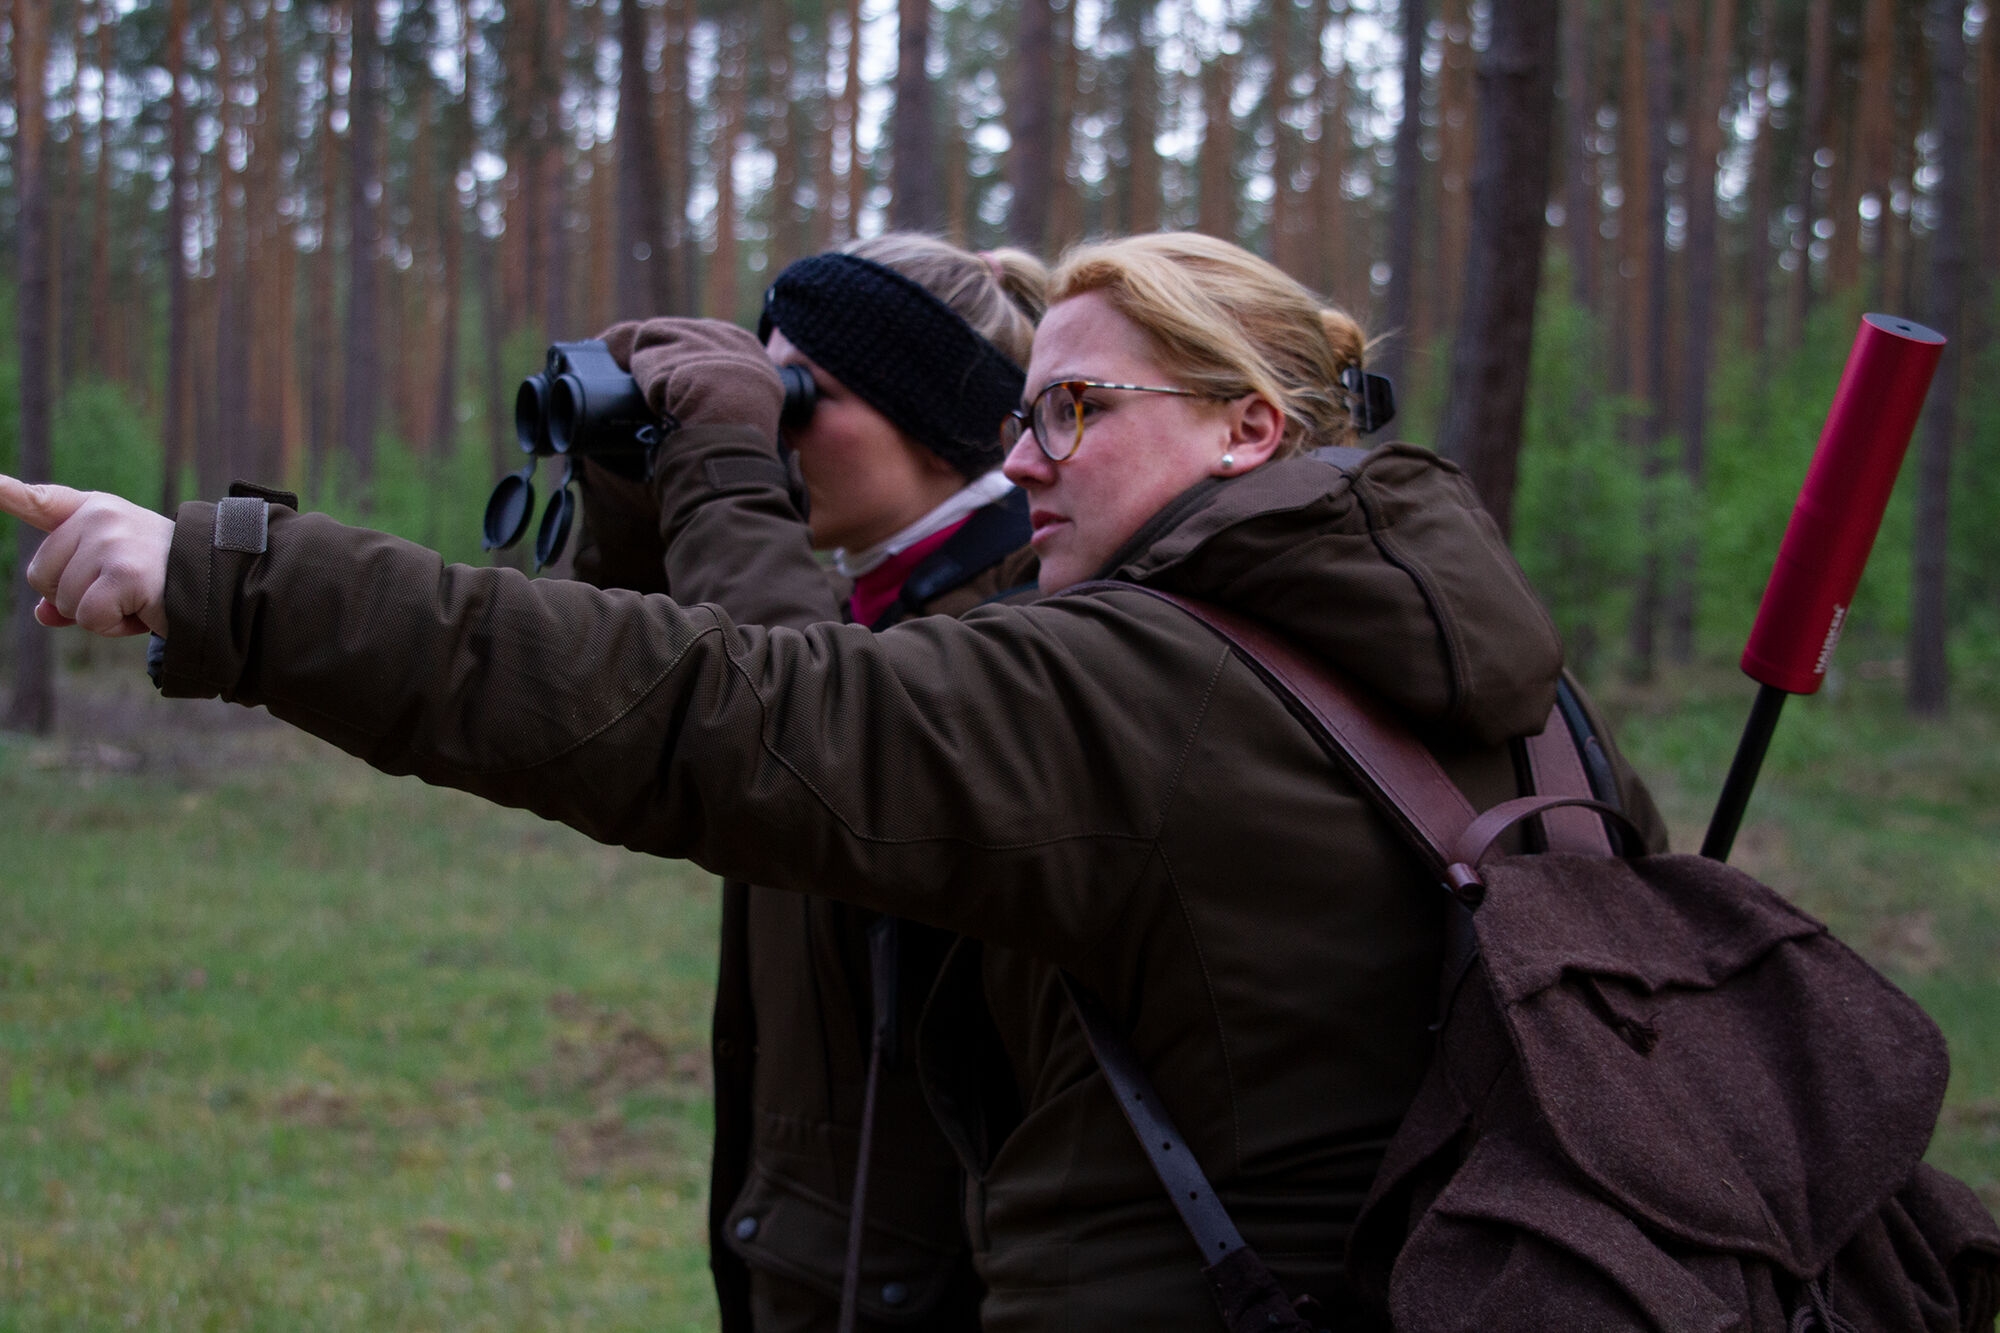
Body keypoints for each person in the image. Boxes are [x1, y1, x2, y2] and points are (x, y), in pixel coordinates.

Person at [3, 231, 1664, 1330]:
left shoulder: (1142, 682)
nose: (1026, 457)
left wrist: (234, 577)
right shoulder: (1531, 694)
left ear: (1246, 427)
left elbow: (718, 709)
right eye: (1025, 411)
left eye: (1076, 411)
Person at [566, 233, 1046, 1332]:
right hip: (831, 1246)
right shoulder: (866, 603)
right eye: (760, 382)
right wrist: (638, 468)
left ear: (935, 424)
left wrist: (724, 457)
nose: (768, 429)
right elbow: (644, 672)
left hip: (946, 1273)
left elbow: (789, 725)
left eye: (800, 396)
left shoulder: (1015, 628)